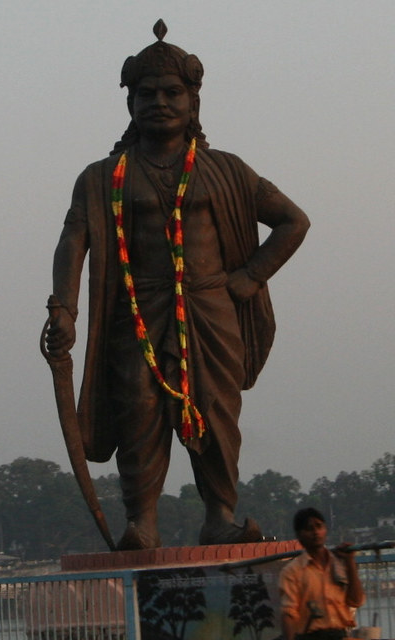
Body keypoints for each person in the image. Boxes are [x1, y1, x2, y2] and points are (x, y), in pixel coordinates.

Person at [45, 20, 309, 550]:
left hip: (211, 308)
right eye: (147, 94)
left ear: (193, 103)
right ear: (130, 104)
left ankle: (220, 516)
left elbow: (293, 221)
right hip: (138, 310)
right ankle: (142, 522)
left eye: (172, 93)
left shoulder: (226, 170)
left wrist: (248, 278)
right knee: (138, 410)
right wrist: (63, 309)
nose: (159, 103)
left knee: (214, 411)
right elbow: (74, 241)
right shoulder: (102, 178)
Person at [279, 508, 365, 640]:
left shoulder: (340, 564)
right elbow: (289, 614)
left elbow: (356, 601)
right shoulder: (292, 572)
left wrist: (350, 562)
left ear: (325, 530)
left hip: (340, 634)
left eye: (319, 526)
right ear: (299, 535)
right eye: (309, 529)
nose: (316, 532)